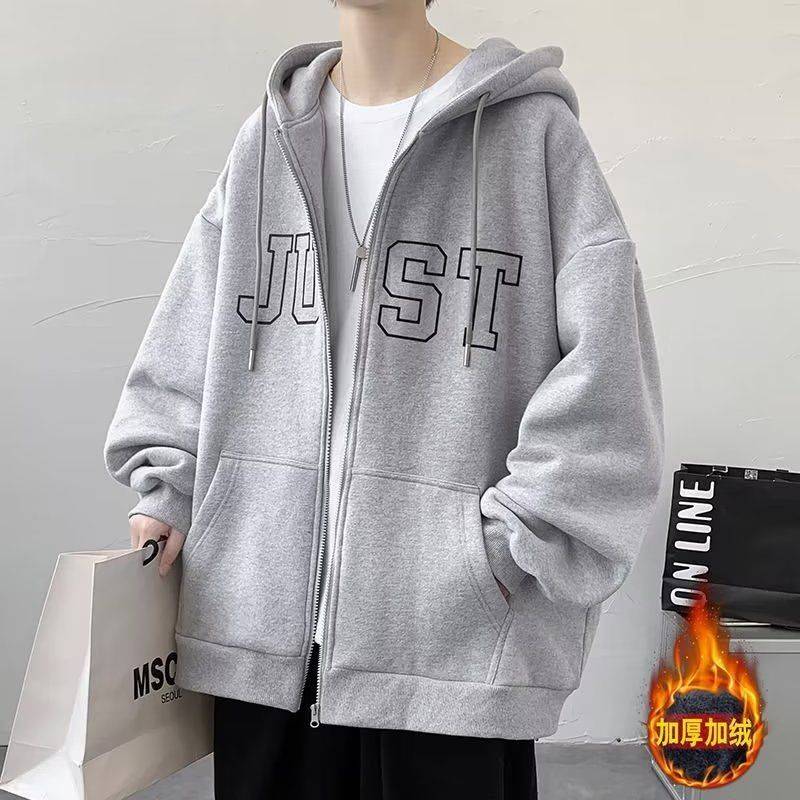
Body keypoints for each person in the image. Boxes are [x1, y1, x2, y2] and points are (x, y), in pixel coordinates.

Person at [104, 0, 665, 796]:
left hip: (451, 648)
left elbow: (611, 383)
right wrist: (170, 487)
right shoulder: (268, 139)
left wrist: (501, 550)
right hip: (260, 633)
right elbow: (190, 331)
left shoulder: (532, 136)